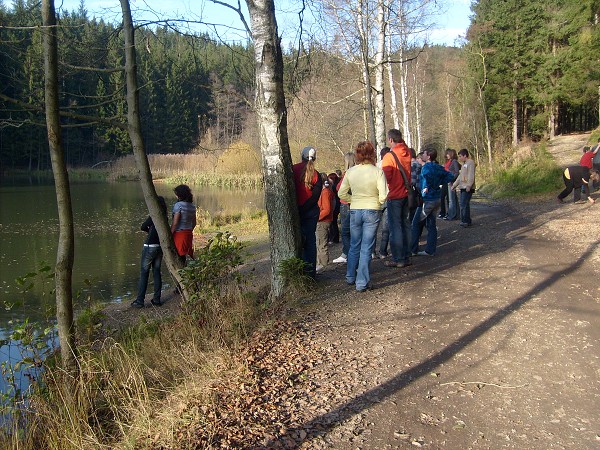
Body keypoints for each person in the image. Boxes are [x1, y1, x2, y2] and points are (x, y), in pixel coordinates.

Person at [338, 141, 388, 292]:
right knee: (366, 247)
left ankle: (350, 276)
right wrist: (378, 203)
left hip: (355, 210)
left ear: (357, 155)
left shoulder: (351, 172)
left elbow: (341, 193)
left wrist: (353, 201)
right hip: (372, 210)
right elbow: (384, 194)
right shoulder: (377, 171)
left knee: (354, 244)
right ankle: (361, 282)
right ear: (372, 154)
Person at [410, 149, 455, 256]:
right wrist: (439, 183)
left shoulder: (426, 168)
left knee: (416, 223)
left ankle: (412, 249)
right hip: (437, 198)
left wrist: (426, 190)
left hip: (428, 199)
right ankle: (430, 250)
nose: (423, 155)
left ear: (428, 156)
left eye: (424, 154)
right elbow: (450, 176)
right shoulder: (438, 167)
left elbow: (425, 183)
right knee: (431, 224)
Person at [381, 129, 412, 268]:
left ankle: (398, 258)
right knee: (405, 225)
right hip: (406, 194)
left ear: (391, 140)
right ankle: (406, 255)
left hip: (394, 195)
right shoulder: (406, 152)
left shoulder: (389, 156)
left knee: (395, 227)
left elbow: (385, 178)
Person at [131, 196, 168, 308]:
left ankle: (140, 301)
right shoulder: (164, 216)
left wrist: (149, 231)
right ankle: (156, 300)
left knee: (144, 273)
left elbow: (142, 226)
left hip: (149, 246)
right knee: (156, 272)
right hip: (159, 247)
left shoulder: (154, 215)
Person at [293, 146, 323, 278]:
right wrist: (305, 208)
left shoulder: (293, 170)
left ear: (302, 156)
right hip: (311, 213)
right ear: (314, 158)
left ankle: (299, 272)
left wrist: (298, 210)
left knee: (298, 241)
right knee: (310, 241)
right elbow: (315, 197)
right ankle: (310, 273)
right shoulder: (317, 175)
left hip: (297, 212)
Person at [333, 152, 356, 264]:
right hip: (355, 203)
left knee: (345, 230)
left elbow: (339, 188)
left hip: (346, 203)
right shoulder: (358, 172)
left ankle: (346, 253)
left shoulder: (347, 173)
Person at [171, 185, 197, 264]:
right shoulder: (192, 206)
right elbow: (194, 223)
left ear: (180, 195)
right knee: (186, 255)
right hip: (188, 233)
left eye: (176, 194)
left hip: (179, 234)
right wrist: (189, 229)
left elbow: (175, 223)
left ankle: (181, 272)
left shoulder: (178, 206)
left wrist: (170, 234)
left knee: (179, 256)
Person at [451, 149, 476, 227]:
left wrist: (469, 185)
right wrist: (454, 185)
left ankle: (465, 221)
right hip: (463, 187)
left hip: (467, 187)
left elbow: (471, 174)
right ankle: (467, 220)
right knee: (464, 204)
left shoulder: (470, 163)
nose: (460, 158)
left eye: (460, 156)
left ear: (465, 155)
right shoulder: (464, 164)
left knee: (463, 204)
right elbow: (460, 176)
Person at [316, 173, 334, 273]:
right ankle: (320, 264)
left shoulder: (325, 192)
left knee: (321, 244)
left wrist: (317, 218)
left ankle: (323, 266)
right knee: (319, 243)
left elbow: (326, 210)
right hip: (323, 221)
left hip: (323, 221)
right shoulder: (325, 191)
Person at [377, 147, 391, 258]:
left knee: (372, 228)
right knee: (386, 228)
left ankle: (371, 252)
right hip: (387, 197)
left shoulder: (375, 167)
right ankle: (382, 251)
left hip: (375, 199)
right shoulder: (392, 165)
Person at [443, 149, 461, 220]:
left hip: (451, 182)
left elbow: (457, 172)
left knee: (451, 199)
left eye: (448, 154)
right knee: (452, 198)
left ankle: (452, 215)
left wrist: (452, 178)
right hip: (448, 181)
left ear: (451, 154)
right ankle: (455, 214)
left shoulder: (454, 162)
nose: (446, 155)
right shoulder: (449, 161)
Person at [327, 172, 341, 244]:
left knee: (333, 223)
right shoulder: (337, 185)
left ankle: (333, 238)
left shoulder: (333, 187)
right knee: (334, 222)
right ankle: (335, 238)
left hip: (335, 205)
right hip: (338, 205)